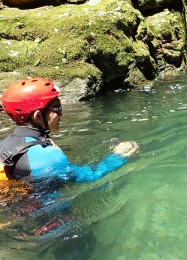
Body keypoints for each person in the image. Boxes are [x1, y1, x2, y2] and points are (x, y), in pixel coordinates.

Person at [0, 77, 139, 182]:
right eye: (57, 108)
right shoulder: (49, 157)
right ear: (37, 116)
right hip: (52, 219)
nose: (61, 113)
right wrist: (118, 156)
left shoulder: (5, 144)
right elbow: (91, 176)